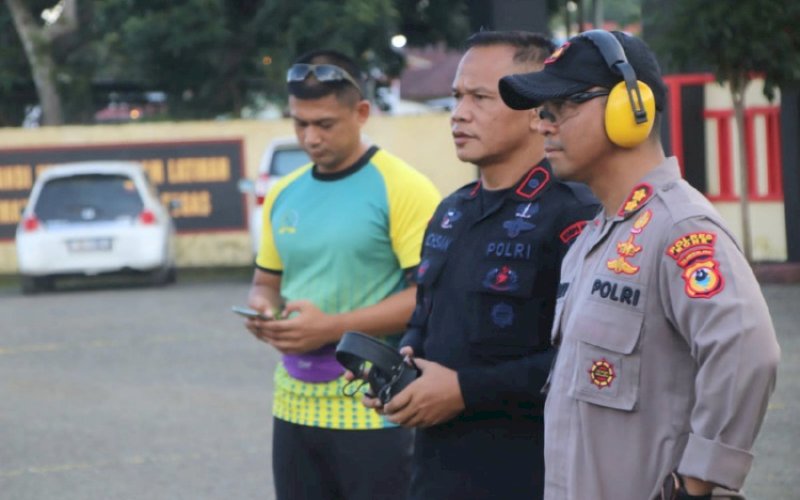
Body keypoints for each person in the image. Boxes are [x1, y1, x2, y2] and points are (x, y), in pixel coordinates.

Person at [498, 29, 781, 499]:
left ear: (632, 108)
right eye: (541, 112)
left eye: (561, 106)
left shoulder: (680, 227)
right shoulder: (593, 239)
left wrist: (696, 484)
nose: (544, 125)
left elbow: (747, 351)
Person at [360, 31, 600, 500]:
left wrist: (465, 390)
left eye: (480, 98)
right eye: (456, 97)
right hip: (436, 475)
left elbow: (590, 359)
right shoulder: (451, 212)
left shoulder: (575, 214)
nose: (459, 113)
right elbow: (424, 321)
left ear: (535, 110)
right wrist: (401, 367)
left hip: (531, 477)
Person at [243, 49, 440, 500]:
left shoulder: (404, 187)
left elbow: (428, 297)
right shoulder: (284, 193)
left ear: (362, 113)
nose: (310, 137)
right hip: (293, 404)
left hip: (374, 407)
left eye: (325, 124)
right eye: (300, 123)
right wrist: (262, 312)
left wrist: (331, 327)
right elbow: (265, 284)